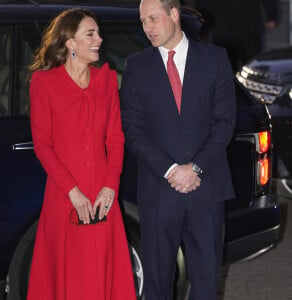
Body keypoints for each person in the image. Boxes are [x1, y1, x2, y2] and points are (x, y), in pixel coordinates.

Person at [120, 0, 236, 299]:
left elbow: (225, 122)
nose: (147, 28)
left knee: (206, 282)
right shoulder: (137, 65)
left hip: (206, 190)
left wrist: (195, 168)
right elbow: (133, 131)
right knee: (158, 284)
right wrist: (171, 170)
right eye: (143, 21)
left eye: (153, 19)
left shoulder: (215, 59)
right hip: (158, 192)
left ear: (174, 14)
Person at [27, 8, 136, 300]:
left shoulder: (107, 80)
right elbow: (43, 144)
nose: (99, 39)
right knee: (66, 276)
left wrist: (111, 187)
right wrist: (72, 191)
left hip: (103, 194)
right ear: (70, 43)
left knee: (103, 275)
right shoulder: (44, 83)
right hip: (65, 195)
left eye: (98, 33)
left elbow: (115, 139)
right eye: (91, 34)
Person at [191, 0, 278, 72]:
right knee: (226, 69)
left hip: (246, 25)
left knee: (251, 68)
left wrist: (271, 14)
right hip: (224, 25)